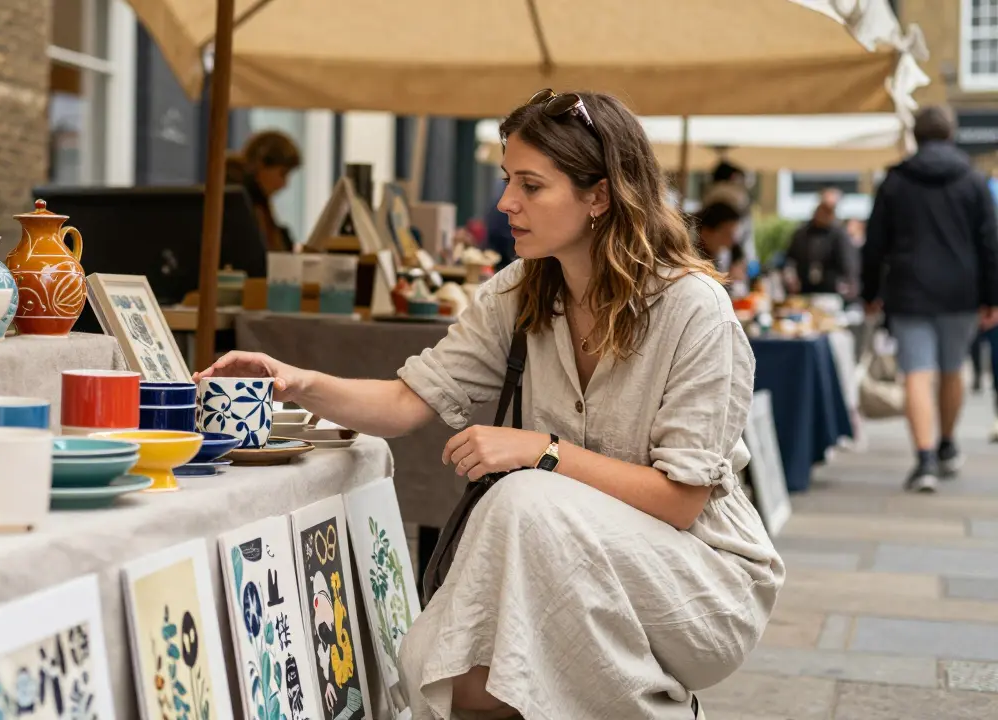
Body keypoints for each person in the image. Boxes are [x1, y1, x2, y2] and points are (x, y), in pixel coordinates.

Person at [196, 89, 782, 719]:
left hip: (699, 586)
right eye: (508, 180)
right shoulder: (519, 293)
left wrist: (544, 453)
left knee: (523, 498)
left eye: (531, 185)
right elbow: (403, 402)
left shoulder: (693, 309)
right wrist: (297, 381)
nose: (506, 203)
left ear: (599, 196)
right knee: (451, 683)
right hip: (569, 574)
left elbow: (682, 498)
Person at [862, 105, 998, 492]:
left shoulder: (895, 181)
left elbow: (875, 244)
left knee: (917, 373)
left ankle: (923, 461)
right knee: (952, 369)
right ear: (951, 135)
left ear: (916, 137)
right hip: (961, 291)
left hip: (909, 289)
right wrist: (992, 296)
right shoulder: (973, 181)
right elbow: (990, 243)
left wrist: (871, 292)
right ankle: (946, 445)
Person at [226, 130, 301, 252]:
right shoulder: (241, 204)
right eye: (282, 174)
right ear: (260, 165)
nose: (284, 184)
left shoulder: (258, 204)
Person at [786, 188, 857, 299]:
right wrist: (790, 277)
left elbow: (849, 265)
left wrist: (849, 288)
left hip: (831, 292)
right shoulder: (803, 233)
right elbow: (790, 259)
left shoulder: (839, 234)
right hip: (804, 289)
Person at [693, 201, 749, 295]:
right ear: (706, 233)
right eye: (726, 234)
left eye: (733, 235)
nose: (730, 242)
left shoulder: (718, 257)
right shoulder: (693, 263)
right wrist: (728, 279)